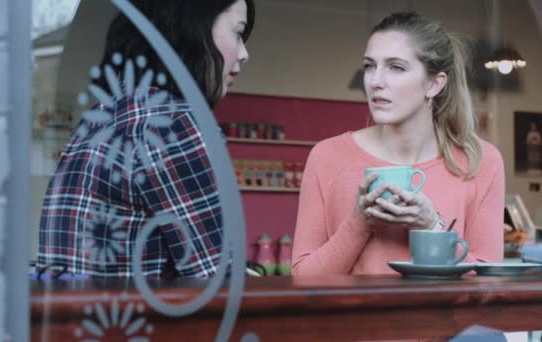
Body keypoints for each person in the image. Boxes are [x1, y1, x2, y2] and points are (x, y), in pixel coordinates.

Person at [37, 0, 255, 278]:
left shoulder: (101, 117)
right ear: (192, 27)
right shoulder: (170, 123)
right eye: (238, 33)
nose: (244, 54)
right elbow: (220, 282)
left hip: (77, 318)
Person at [292, 11, 505, 276]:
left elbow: (489, 282)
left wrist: (431, 227)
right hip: (353, 319)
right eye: (370, 65)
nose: (375, 82)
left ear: (434, 84)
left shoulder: (481, 161)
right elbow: (303, 279)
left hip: (445, 319)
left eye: (396, 67)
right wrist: (359, 221)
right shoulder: (327, 156)